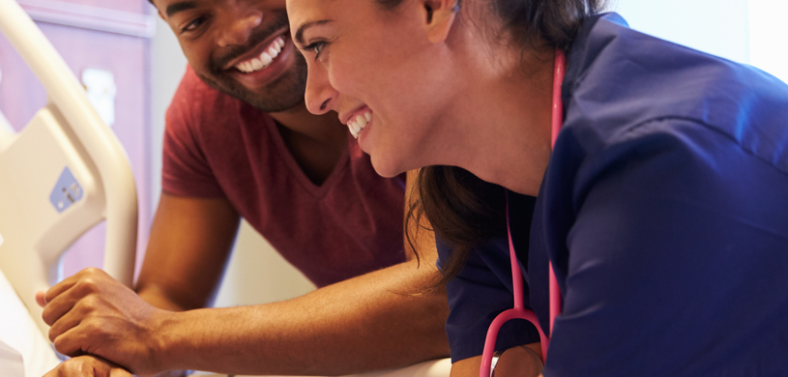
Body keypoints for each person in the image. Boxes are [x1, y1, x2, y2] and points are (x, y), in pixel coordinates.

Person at [287, 0, 788, 375]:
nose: (313, 98)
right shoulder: (476, 180)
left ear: (432, 7)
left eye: (319, 45)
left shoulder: (662, 169)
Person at [38, 0, 451, 376]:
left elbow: (444, 294)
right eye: (196, 21)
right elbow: (170, 295)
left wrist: (159, 337)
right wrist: (115, 357)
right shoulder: (204, 115)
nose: (239, 30)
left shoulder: (408, 46)